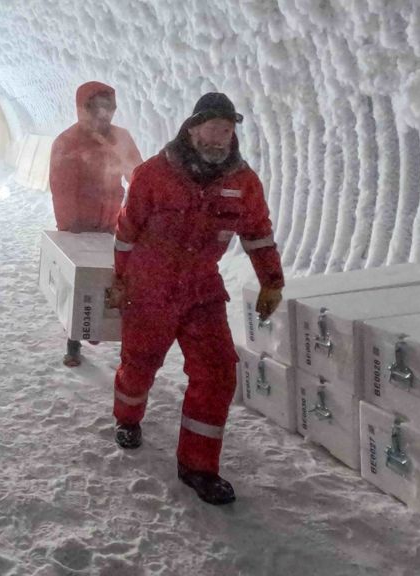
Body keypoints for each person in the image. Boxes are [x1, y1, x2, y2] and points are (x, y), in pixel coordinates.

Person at [105, 93, 284, 505]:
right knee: (140, 365)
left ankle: (198, 467)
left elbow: (258, 233)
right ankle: (127, 418)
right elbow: (127, 231)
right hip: (150, 288)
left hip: (202, 290)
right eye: (213, 128)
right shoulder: (154, 174)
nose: (220, 138)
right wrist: (120, 280)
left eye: (227, 130)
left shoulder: (243, 182)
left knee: (218, 372)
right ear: (192, 128)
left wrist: (272, 281)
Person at [49, 81, 143, 368]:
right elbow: (62, 189)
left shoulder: (121, 139)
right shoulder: (67, 142)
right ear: (83, 109)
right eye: (97, 108)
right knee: (81, 285)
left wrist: (139, 214)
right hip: (78, 227)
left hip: (113, 223)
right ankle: (74, 340)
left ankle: (120, 339)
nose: (104, 115)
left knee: (118, 281)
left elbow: (138, 177)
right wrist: (71, 228)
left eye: (109, 107)